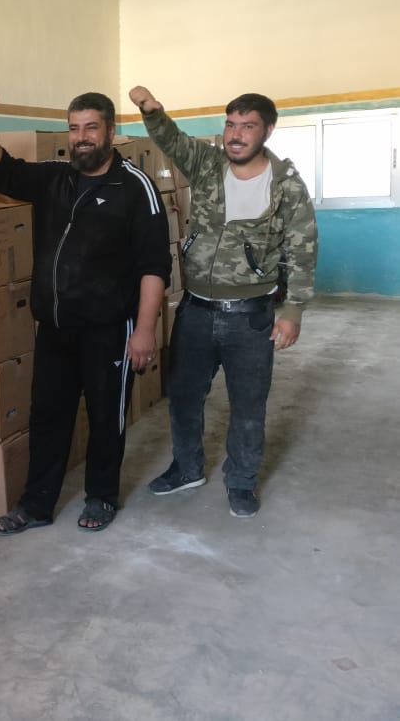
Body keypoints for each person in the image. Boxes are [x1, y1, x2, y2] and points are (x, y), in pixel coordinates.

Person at [0, 93, 170, 534]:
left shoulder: (136, 187)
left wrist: (146, 330)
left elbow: (155, 266)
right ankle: (36, 504)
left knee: (104, 418)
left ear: (110, 132)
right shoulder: (56, 179)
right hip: (55, 329)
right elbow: (3, 172)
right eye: (74, 129)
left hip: (109, 329)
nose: (80, 138)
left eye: (90, 128)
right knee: (48, 417)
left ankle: (101, 496)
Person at [128, 85, 318, 517]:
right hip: (195, 309)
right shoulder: (209, 165)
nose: (236, 134)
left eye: (247, 126)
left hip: (251, 316)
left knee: (248, 405)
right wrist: (152, 110)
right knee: (183, 395)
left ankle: (242, 482)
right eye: (231, 124)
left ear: (267, 130)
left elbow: (302, 248)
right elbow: (171, 141)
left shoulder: (286, 186)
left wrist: (293, 310)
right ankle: (187, 468)